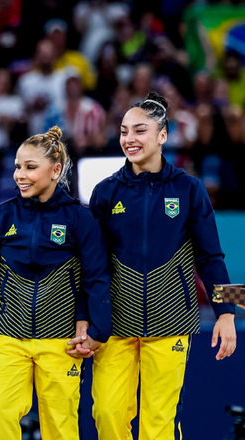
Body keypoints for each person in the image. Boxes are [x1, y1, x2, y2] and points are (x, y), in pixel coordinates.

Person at [88, 92, 237, 440]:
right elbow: (91, 266)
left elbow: (212, 257)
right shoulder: (104, 192)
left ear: (163, 135)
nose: (129, 139)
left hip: (171, 322)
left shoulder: (189, 189)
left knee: (159, 425)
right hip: (114, 324)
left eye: (140, 130)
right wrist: (85, 319)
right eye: (124, 131)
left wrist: (227, 312)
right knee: (107, 417)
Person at [0, 126, 112, 439]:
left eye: (30, 167)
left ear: (56, 170)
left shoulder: (80, 218)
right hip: (7, 338)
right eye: (17, 167)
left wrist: (97, 331)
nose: (20, 175)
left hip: (61, 343)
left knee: (61, 429)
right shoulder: (1, 216)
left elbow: (96, 279)